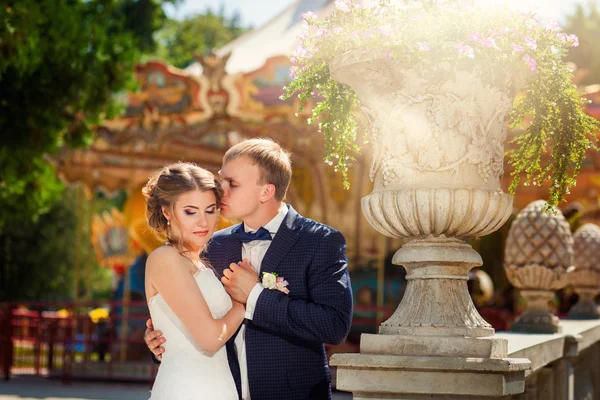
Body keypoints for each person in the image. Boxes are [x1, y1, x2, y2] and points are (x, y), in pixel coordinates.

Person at [145, 138, 353, 400]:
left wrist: (255, 296)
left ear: (266, 192)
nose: (221, 190)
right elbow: (194, 316)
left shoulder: (319, 241)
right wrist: (159, 342)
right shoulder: (214, 244)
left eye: (232, 183)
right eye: (221, 179)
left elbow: (334, 326)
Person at [143, 163, 245, 399]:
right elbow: (210, 338)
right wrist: (244, 303)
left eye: (210, 210)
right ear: (167, 212)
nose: (204, 222)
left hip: (218, 384)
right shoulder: (164, 258)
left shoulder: (202, 263)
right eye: (191, 211)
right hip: (186, 388)